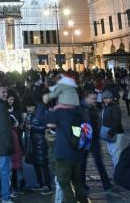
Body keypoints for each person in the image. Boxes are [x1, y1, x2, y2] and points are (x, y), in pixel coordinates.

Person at [45, 75, 87, 203]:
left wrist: (44, 103)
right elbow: (76, 131)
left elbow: (44, 119)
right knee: (77, 182)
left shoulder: (61, 112)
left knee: (64, 183)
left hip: (63, 154)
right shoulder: (78, 111)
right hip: (76, 154)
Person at [80, 90, 112, 193]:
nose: (94, 100)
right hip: (85, 140)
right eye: (92, 98)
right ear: (86, 98)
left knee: (99, 162)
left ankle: (107, 185)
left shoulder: (92, 108)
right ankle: (82, 184)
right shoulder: (81, 109)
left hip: (94, 140)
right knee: (82, 163)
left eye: (95, 98)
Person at [100, 89, 124, 172]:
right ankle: (117, 171)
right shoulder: (106, 107)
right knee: (112, 152)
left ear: (111, 98)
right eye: (104, 98)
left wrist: (110, 131)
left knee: (116, 153)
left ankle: (118, 173)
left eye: (107, 98)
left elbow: (117, 121)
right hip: (109, 133)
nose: (105, 100)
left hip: (115, 133)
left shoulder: (114, 107)